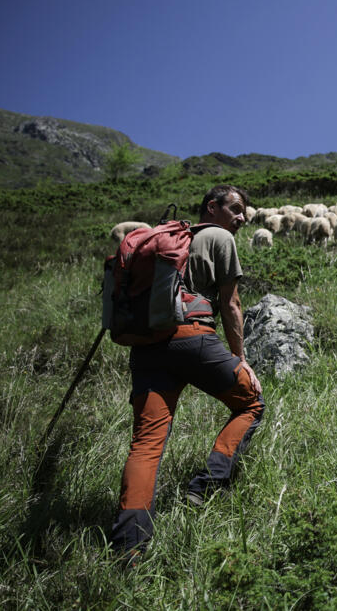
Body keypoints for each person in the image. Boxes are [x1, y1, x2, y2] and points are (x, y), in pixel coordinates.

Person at [109, 184, 264, 558]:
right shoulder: (218, 237)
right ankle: (207, 484)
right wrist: (239, 357)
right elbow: (231, 303)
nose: (242, 217)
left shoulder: (167, 240)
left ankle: (129, 548)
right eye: (236, 209)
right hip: (192, 339)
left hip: (146, 349)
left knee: (145, 446)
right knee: (251, 403)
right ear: (212, 207)